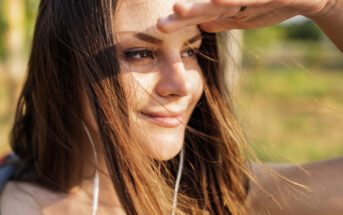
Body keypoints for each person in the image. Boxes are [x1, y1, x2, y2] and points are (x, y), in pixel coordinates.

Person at [0, 0, 342, 214]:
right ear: (63, 64)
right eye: (141, 53)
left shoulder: (221, 194)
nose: (181, 85)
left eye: (190, 51)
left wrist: (329, 8)